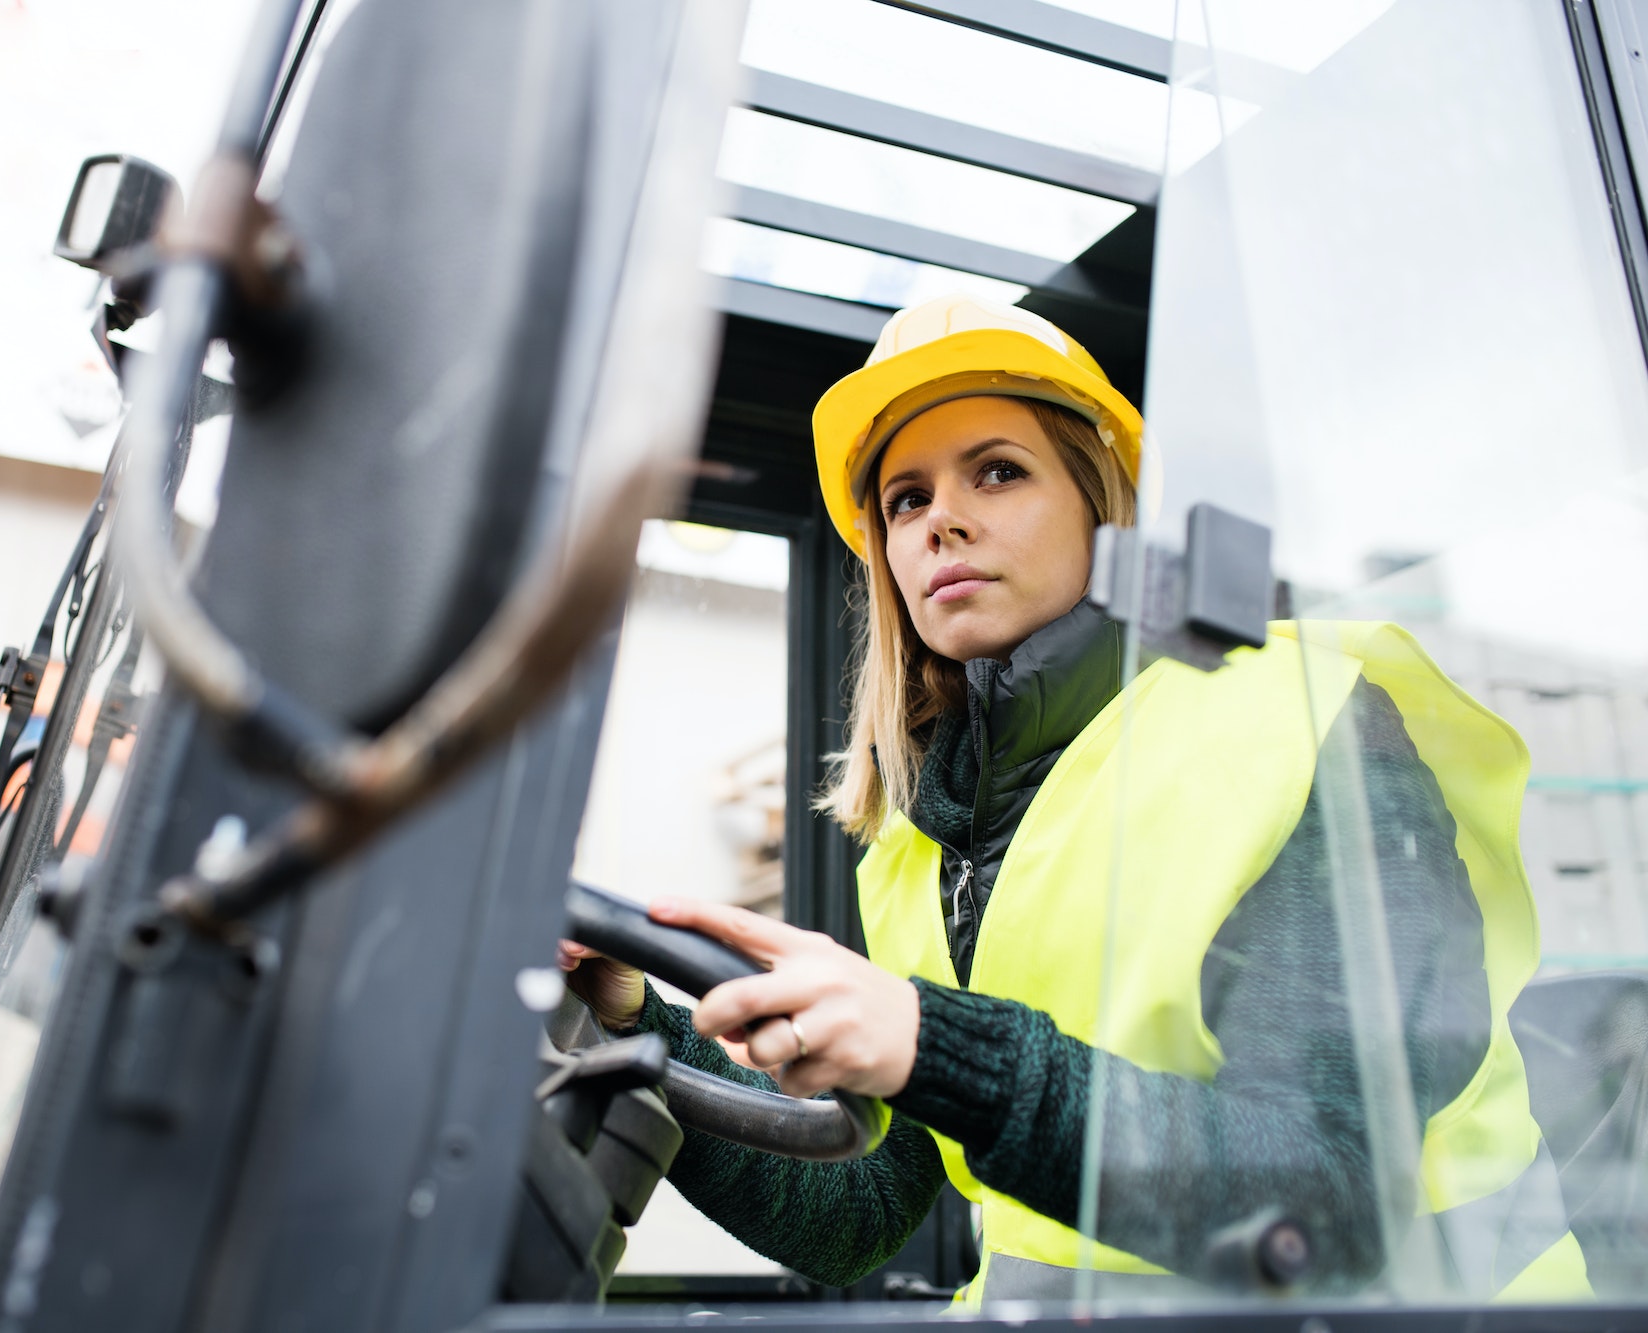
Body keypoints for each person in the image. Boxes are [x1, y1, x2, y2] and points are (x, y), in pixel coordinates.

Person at [560, 295, 1590, 1304]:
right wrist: (636, 1021)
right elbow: (862, 1212)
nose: (939, 521)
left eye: (996, 471)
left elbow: (1321, 1194)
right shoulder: (922, 848)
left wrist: (928, 1041)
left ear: (1103, 509)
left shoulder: (1303, 724)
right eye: (904, 498)